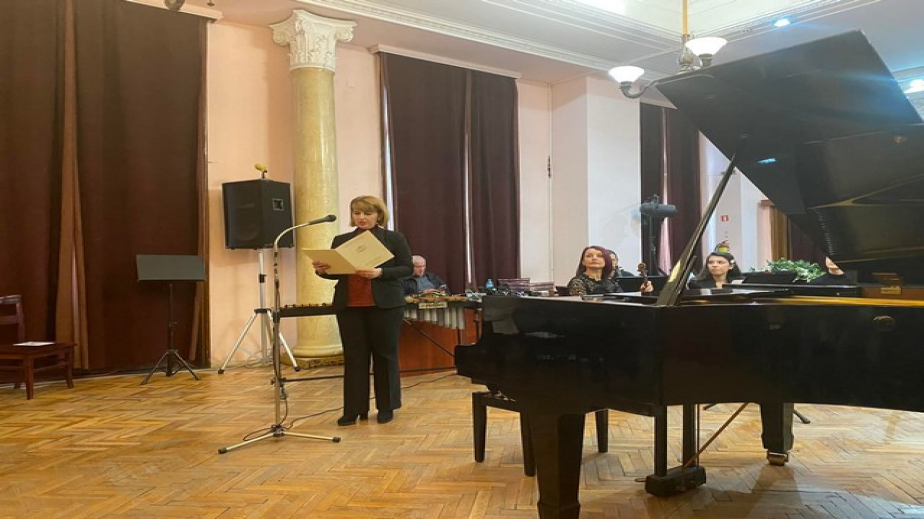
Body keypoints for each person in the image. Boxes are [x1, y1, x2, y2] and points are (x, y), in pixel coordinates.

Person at [313, 195, 413, 426]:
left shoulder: (393, 238)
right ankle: (354, 409)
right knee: (354, 358)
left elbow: (407, 268)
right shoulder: (341, 240)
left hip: (385, 306)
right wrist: (322, 270)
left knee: (385, 356)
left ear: (379, 215)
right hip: (349, 306)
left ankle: (386, 406)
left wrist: (381, 273)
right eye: (357, 213)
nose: (361, 217)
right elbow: (336, 273)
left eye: (367, 213)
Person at [568, 245, 652, 296]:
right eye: (589, 256)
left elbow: (623, 301)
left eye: (599, 256)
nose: (594, 258)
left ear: (606, 261)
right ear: (583, 262)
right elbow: (581, 307)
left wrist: (640, 292)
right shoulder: (577, 282)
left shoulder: (610, 282)